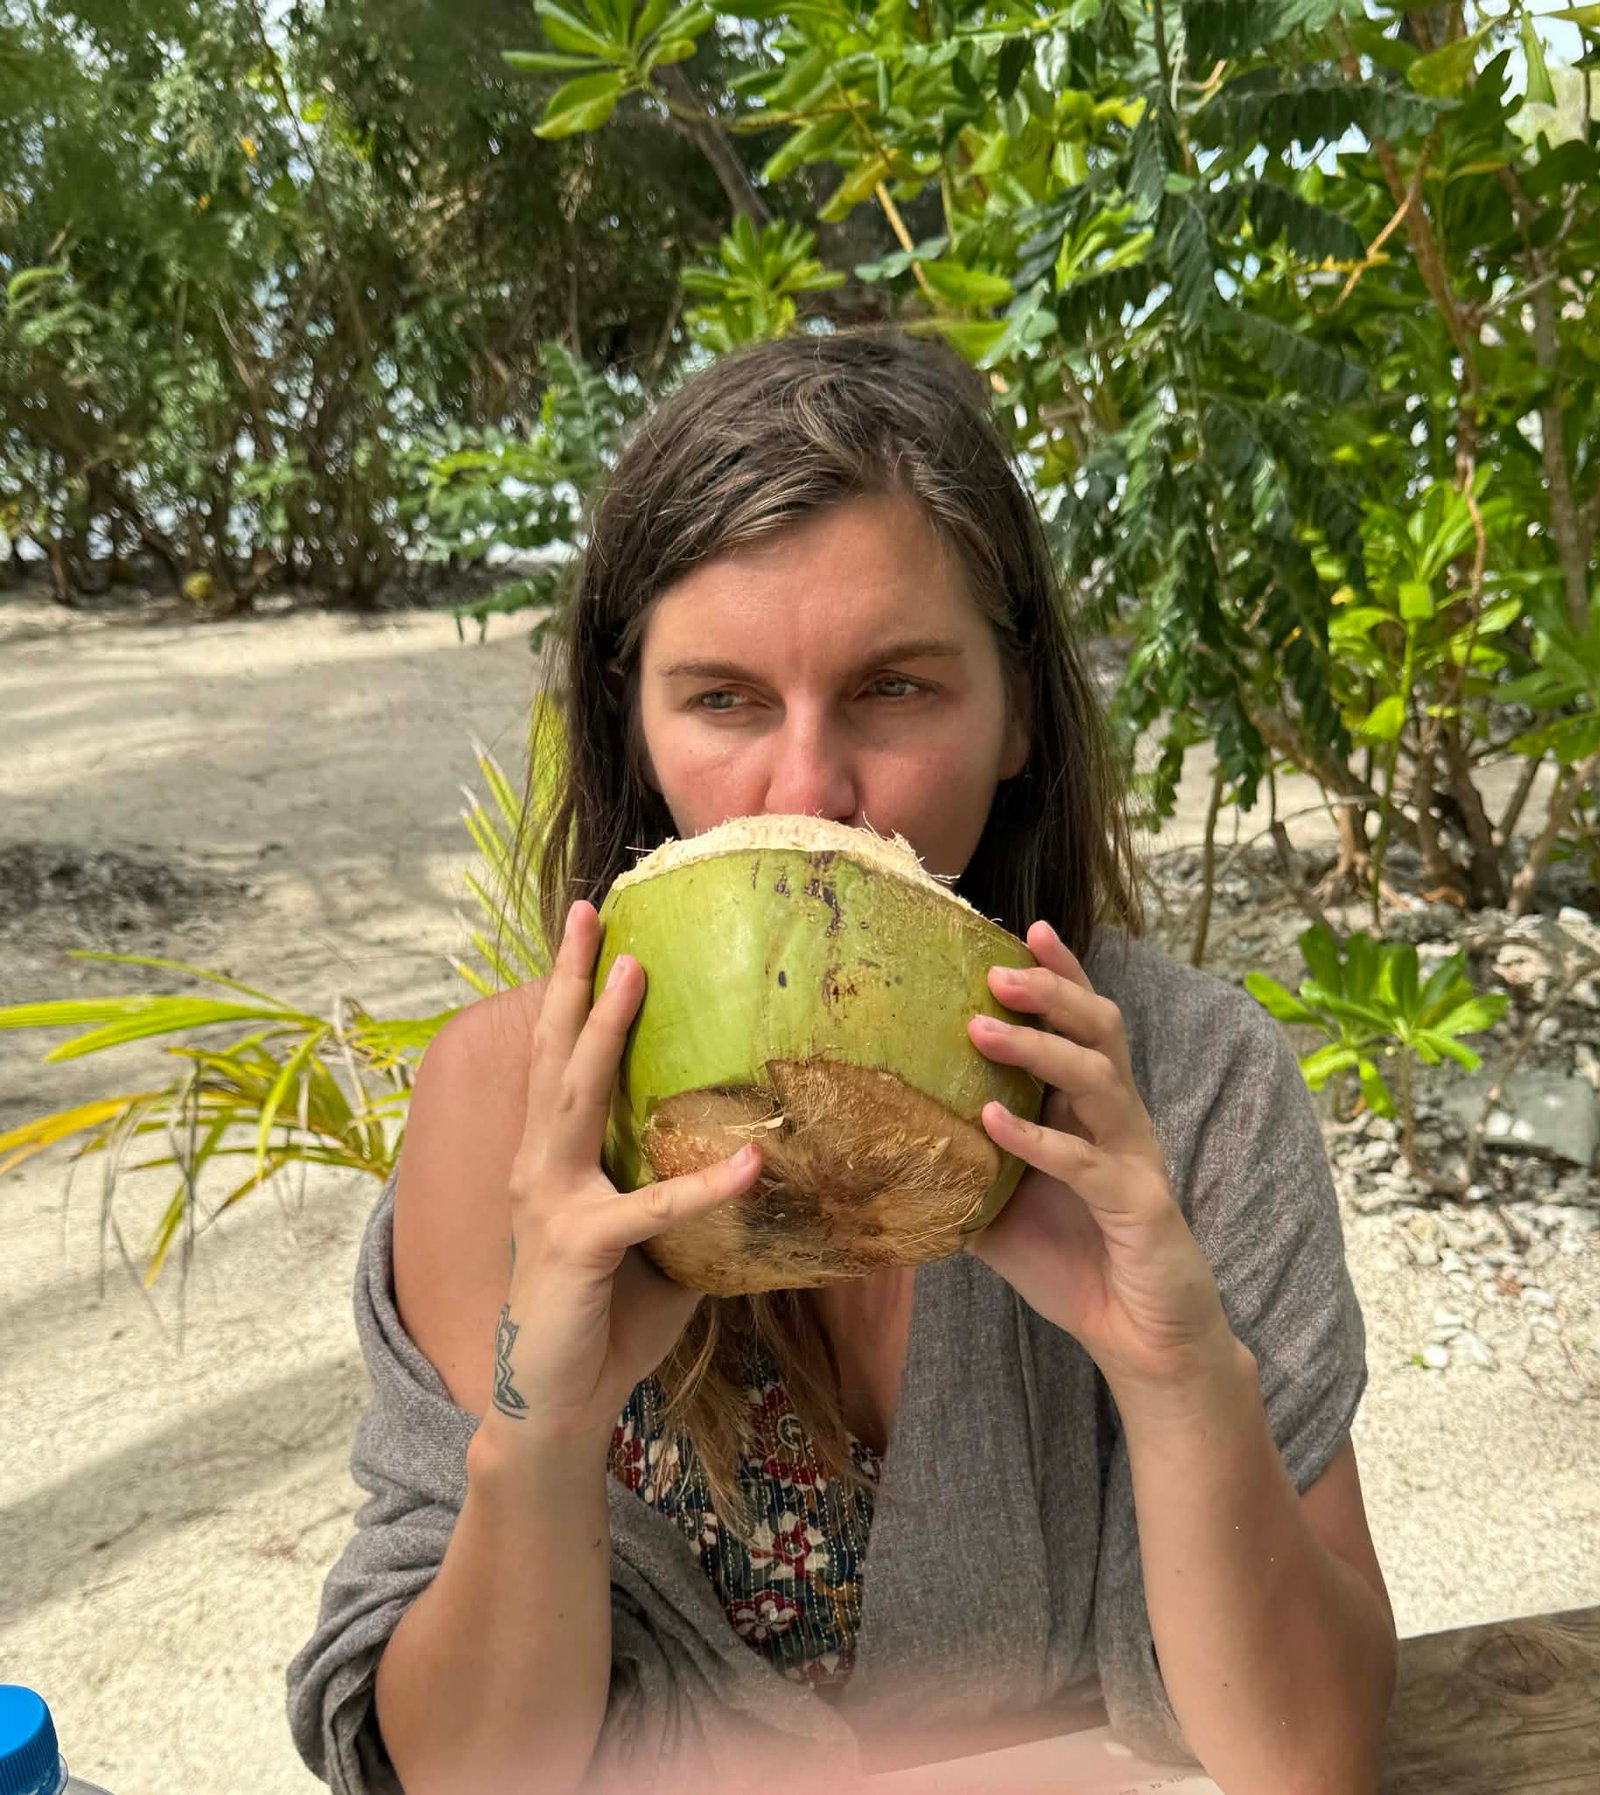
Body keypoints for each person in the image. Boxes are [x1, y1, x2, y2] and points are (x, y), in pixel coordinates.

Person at [286, 329, 1397, 1795]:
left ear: (1017, 714)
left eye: (895, 689)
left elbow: (1308, 1761)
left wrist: (1178, 1374)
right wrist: (541, 1432)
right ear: (634, 722)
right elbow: (470, 1779)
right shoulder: (511, 1111)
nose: (809, 788)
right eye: (723, 699)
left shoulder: (1181, 1086)